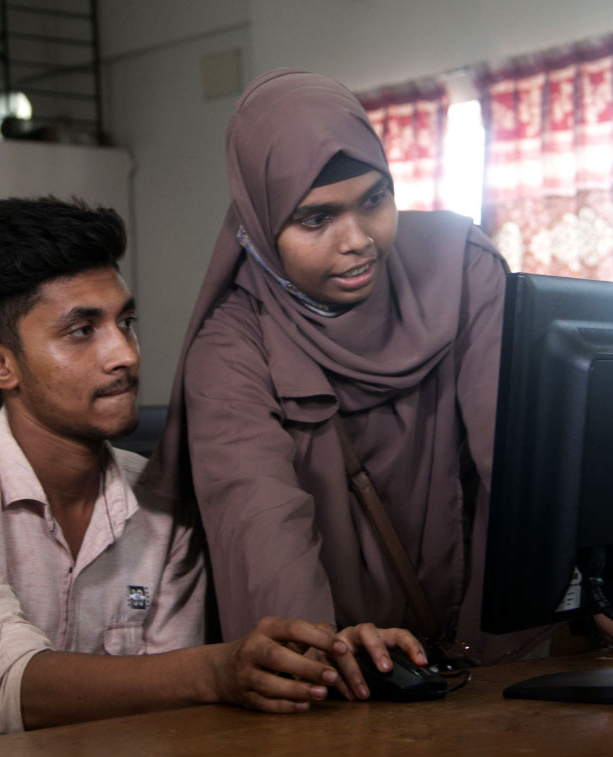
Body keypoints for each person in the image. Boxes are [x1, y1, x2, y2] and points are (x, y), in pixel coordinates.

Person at [0, 197, 424, 753]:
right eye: (81, 331)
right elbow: (1, 685)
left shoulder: (161, 500)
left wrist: (318, 659)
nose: (124, 354)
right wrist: (216, 671)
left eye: (126, 322)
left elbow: (169, 712)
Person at [143, 69, 552, 666]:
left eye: (374, 200)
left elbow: (522, 468)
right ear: (261, 224)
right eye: (315, 219)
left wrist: (501, 648)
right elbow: (262, 527)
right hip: (348, 676)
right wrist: (322, 657)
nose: (357, 239)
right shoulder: (232, 347)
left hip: (487, 651)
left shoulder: (461, 270)